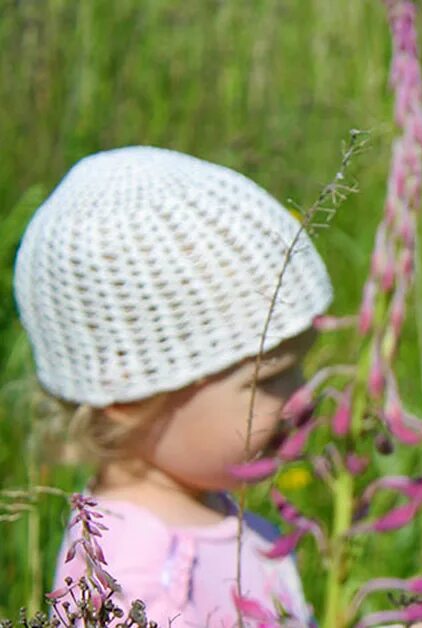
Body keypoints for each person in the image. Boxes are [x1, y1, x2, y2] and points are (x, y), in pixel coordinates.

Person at [15, 145, 331, 626]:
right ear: (127, 394)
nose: (304, 398)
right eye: (268, 380)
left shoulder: (204, 512)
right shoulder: (132, 586)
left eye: (300, 366)